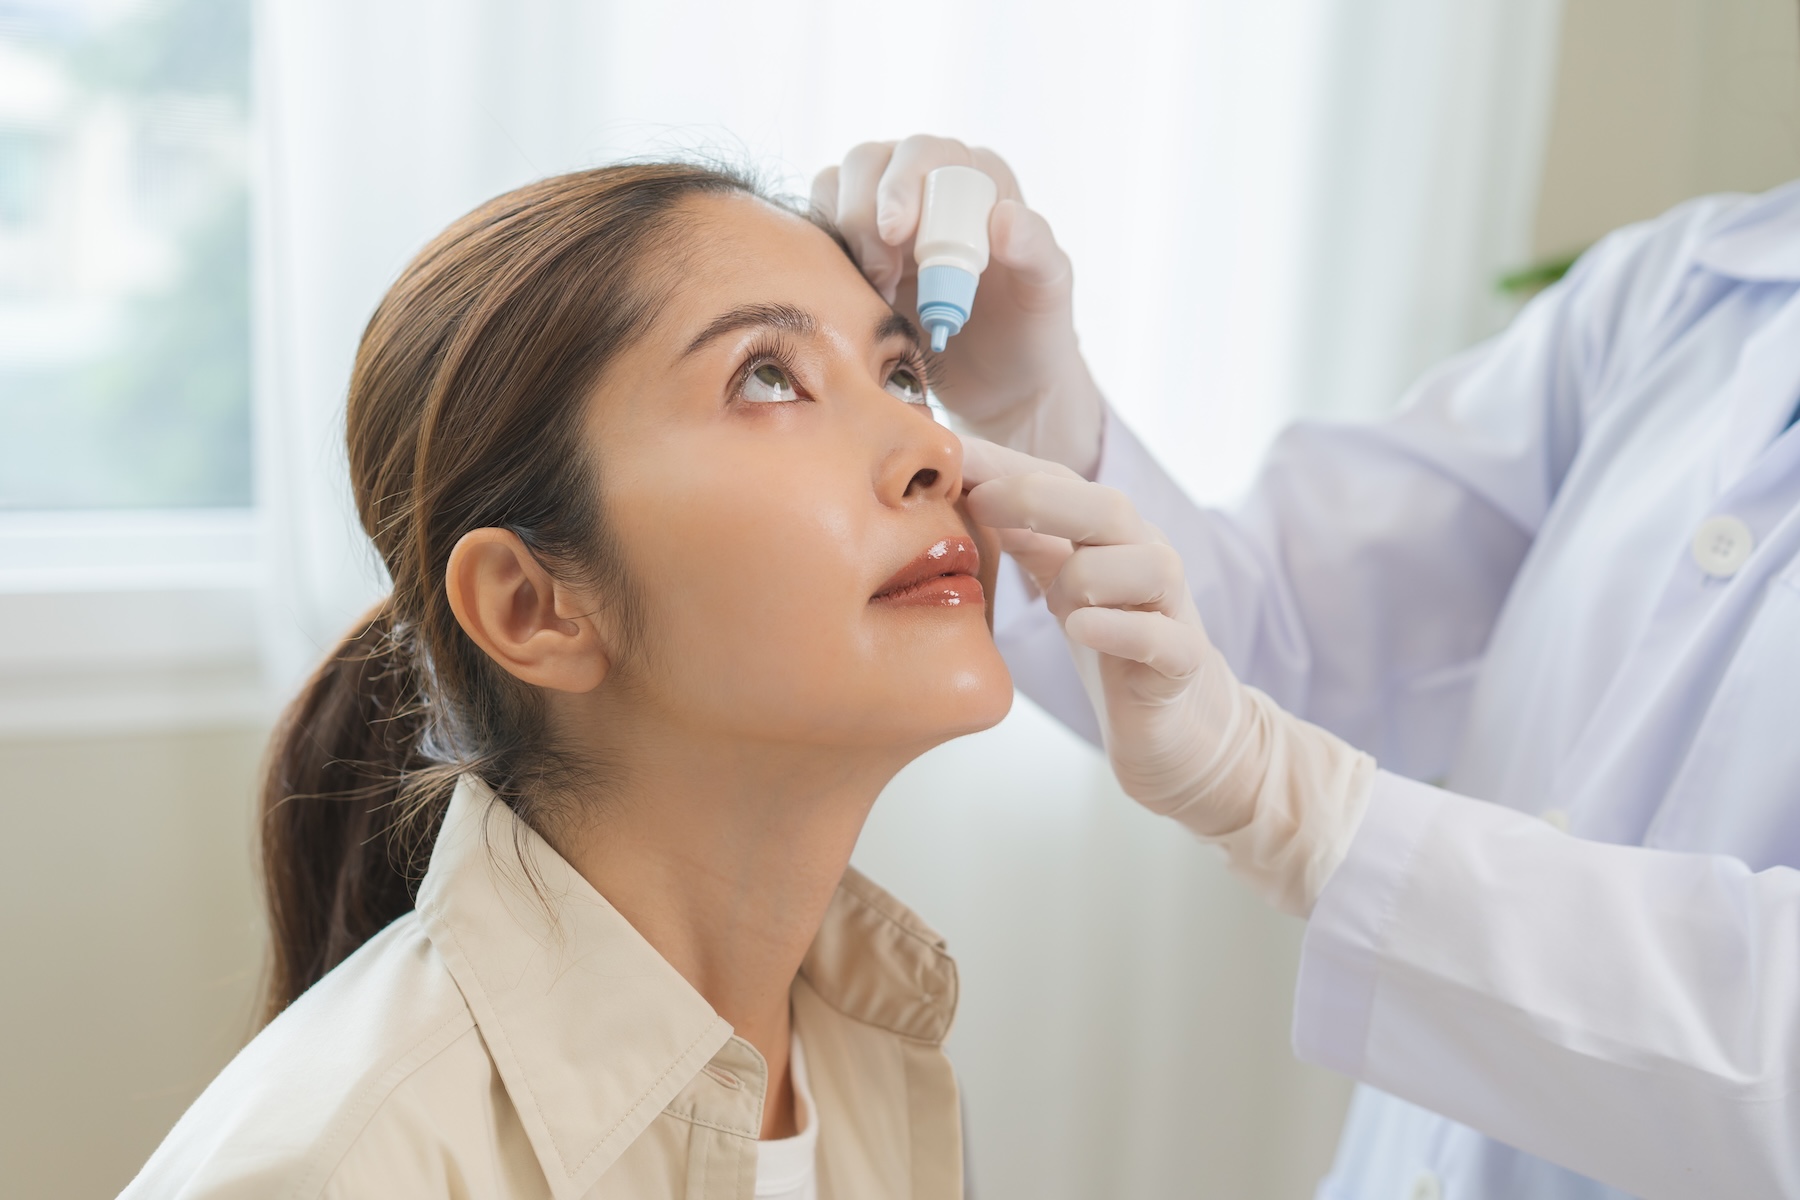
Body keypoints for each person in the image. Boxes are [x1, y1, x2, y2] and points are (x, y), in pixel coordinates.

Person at [818, 135, 1800, 1199]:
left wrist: (1297, 805)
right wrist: (1038, 416)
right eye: (770, 378)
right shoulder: (1687, 296)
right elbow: (1277, 636)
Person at [122, 162, 1011, 1200]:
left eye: (902, 373)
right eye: (767, 376)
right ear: (529, 606)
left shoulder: (878, 1061)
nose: (935, 450)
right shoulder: (334, 1169)